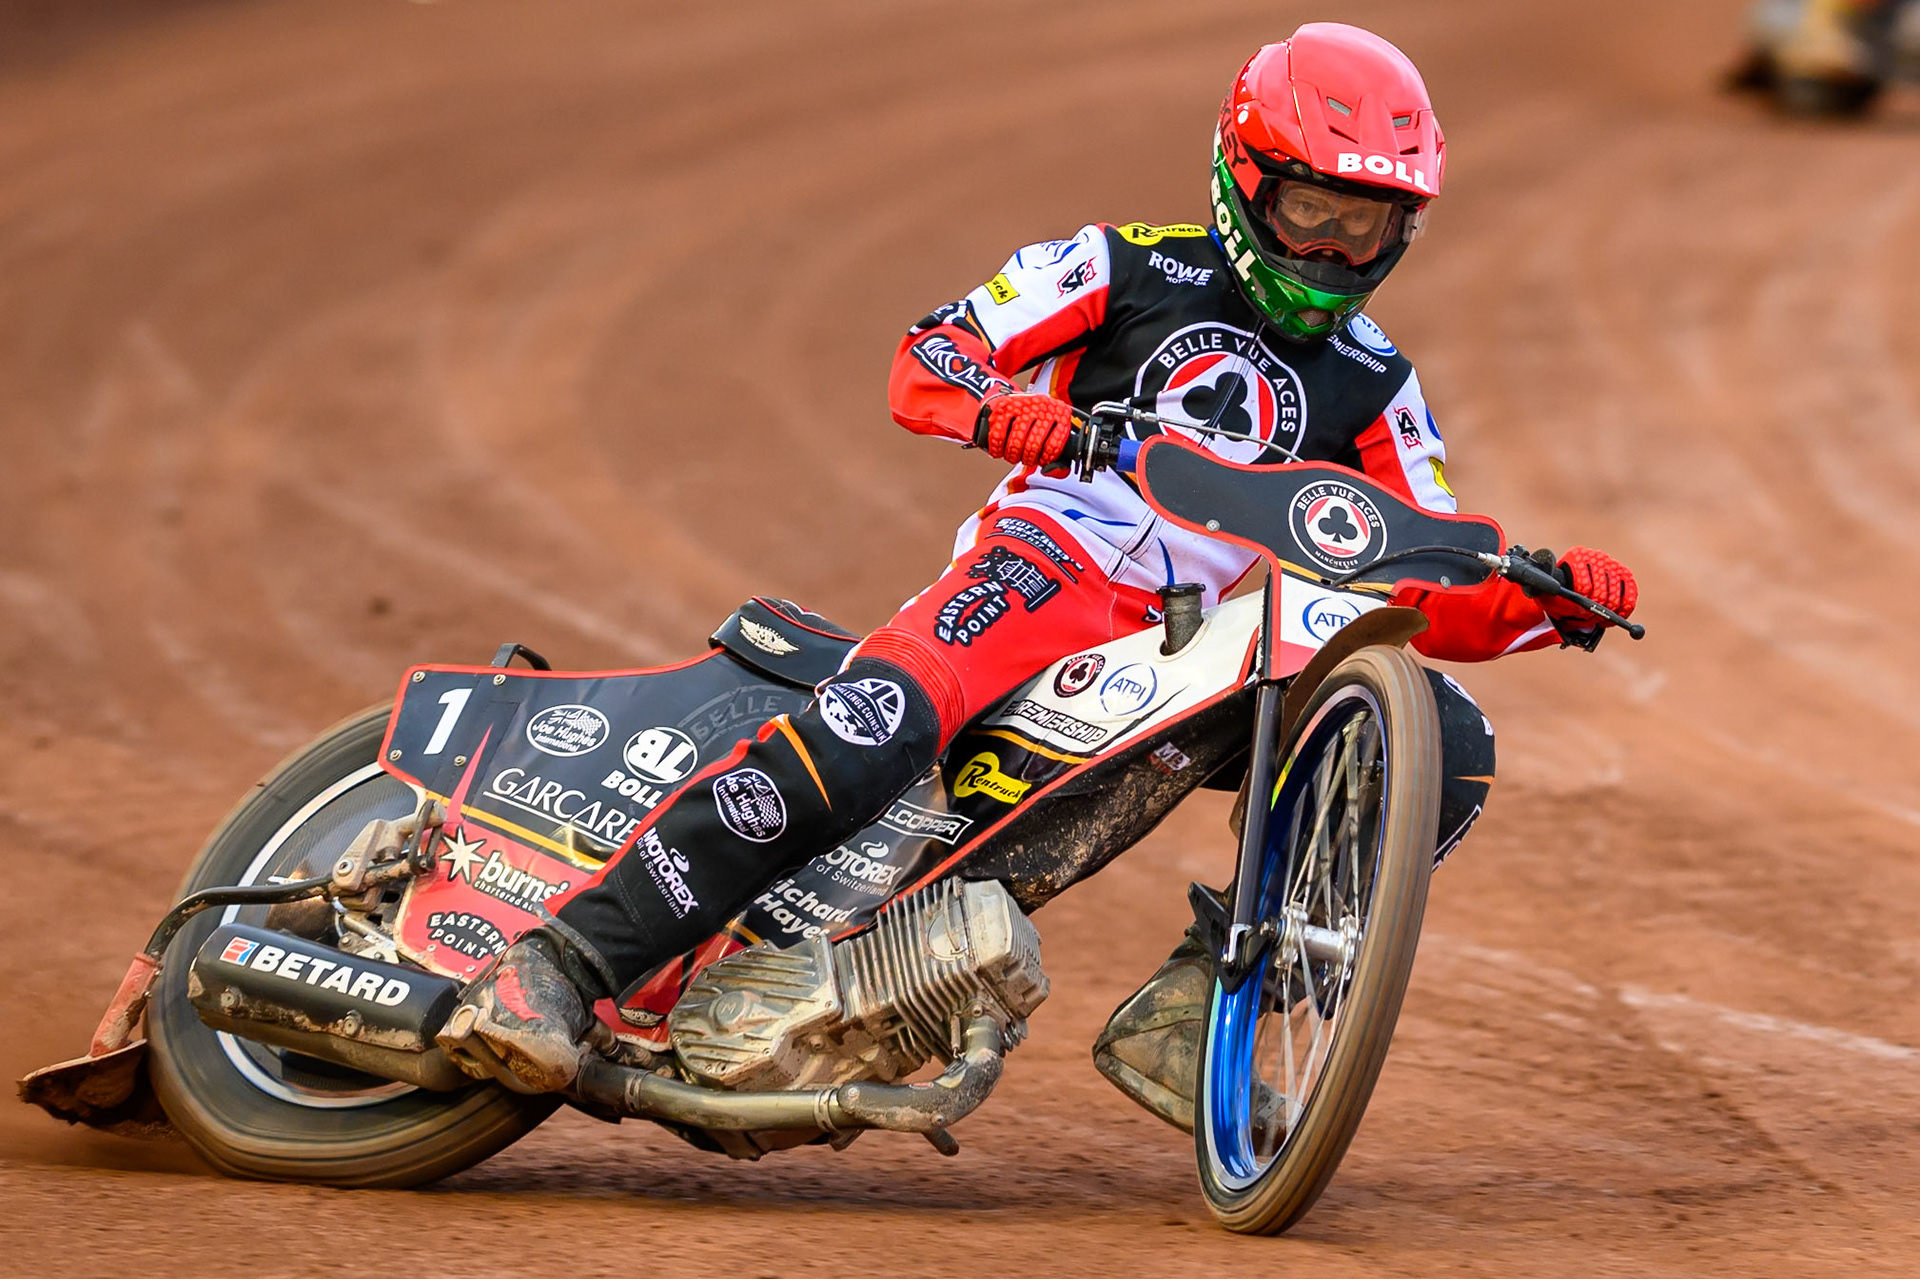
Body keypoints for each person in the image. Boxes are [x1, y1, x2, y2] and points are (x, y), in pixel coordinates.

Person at [435, 22, 1640, 1095]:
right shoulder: (1121, 264)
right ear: (1242, 177)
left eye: (1364, 220)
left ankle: (1194, 1006)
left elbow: (1421, 577)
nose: (1331, 248)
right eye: (1310, 210)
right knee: (880, 722)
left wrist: (1551, 601)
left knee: (1450, 739)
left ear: (1405, 225)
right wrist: (1021, 416)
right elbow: (930, 357)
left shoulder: (1380, 381)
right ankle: (556, 962)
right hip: (1044, 570)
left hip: (1204, 650)